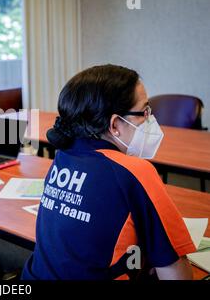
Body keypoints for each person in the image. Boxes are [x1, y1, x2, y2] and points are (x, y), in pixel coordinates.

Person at [22, 64, 196, 280]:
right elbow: (176, 271)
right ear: (115, 124)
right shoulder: (134, 171)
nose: (150, 119)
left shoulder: (63, 156)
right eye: (144, 112)